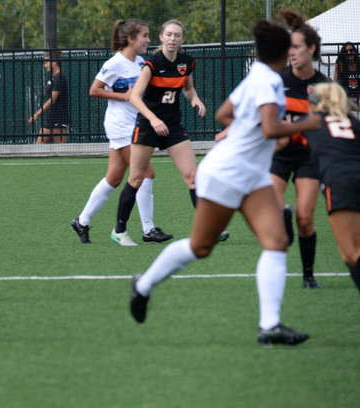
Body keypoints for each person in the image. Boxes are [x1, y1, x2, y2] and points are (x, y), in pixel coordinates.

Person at [128, 15, 321, 346]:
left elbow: (223, 115)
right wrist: (309, 123)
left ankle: (270, 326)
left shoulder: (260, 74)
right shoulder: (268, 81)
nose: (293, 53)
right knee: (200, 247)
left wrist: (243, 130)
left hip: (253, 175)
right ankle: (143, 285)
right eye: (289, 48)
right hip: (227, 173)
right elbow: (271, 129)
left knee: (276, 241)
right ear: (280, 52)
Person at [70, 19, 173, 246]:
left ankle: (82, 221)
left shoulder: (141, 62)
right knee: (146, 173)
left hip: (134, 124)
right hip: (121, 125)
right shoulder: (115, 63)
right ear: (130, 38)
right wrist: (124, 96)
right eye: (144, 36)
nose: (148, 40)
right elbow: (94, 90)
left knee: (114, 178)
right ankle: (148, 229)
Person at [125, 20, 227, 242]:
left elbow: (188, 88)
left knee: (193, 177)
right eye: (169, 34)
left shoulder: (186, 62)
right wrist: (153, 119)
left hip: (172, 126)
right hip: (148, 126)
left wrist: (195, 99)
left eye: (177, 35)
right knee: (135, 178)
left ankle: (210, 228)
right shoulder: (151, 64)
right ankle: (120, 230)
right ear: (162, 37)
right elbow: (134, 97)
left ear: (182, 39)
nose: (172, 39)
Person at [269, 10, 328, 289]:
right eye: (289, 48)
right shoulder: (278, 81)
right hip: (280, 153)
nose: (291, 53)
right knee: (273, 209)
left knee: (305, 219)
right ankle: (284, 215)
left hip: (309, 157)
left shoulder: (325, 87)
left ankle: (308, 275)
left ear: (311, 49)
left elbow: (333, 126)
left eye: (296, 47)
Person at [304, 82, 360, 293]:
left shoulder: (312, 121)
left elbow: (277, 140)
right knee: (350, 250)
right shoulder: (353, 122)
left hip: (342, 182)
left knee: (351, 253)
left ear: (315, 104)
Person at [28, 51, 70, 144]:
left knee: (61, 149)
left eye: (46, 62)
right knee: (38, 148)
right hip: (49, 119)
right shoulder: (53, 78)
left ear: (54, 62)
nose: (45, 65)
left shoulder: (59, 78)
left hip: (59, 119)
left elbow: (52, 99)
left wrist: (37, 114)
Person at [334, 42, 359, 112]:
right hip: (347, 98)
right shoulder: (341, 65)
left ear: (354, 51)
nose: (349, 53)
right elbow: (335, 81)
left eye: (351, 50)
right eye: (346, 51)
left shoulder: (358, 63)